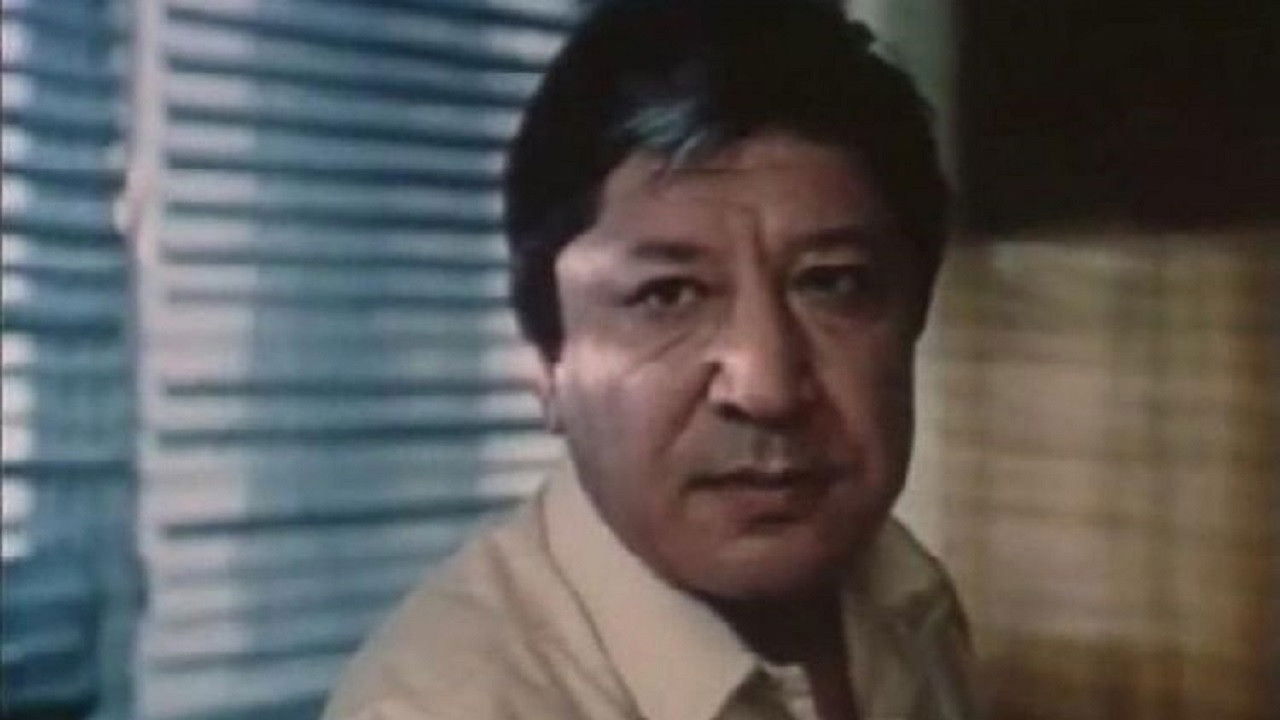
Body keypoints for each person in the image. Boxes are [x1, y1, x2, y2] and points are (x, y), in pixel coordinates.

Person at [324, 1, 977, 718]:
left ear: (914, 314)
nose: (765, 386)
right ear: (546, 362)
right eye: (667, 295)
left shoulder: (904, 596)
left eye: (833, 282)